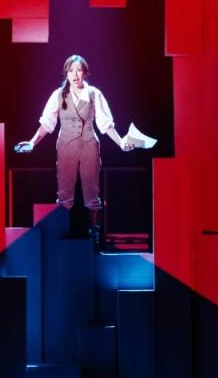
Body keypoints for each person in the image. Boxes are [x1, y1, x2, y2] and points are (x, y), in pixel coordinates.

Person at [15, 54, 133, 243]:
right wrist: (32, 142)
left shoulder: (94, 93)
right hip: (66, 145)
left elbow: (105, 123)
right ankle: (62, 233)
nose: (75, 74)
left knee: (91, 191)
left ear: (85, 73)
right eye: (71, 71)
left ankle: (94, 233)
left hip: (89, 144)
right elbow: (47, 123)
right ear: (66, 73)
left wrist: (120, 142)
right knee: (65, 192)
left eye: (79, 70)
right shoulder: (58, 94)